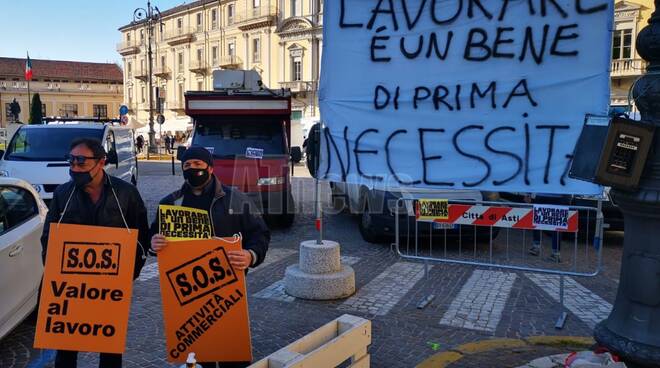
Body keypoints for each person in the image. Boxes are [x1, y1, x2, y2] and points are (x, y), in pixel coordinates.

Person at [150, 146, 270, 368]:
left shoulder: (236, 199)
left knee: (231, 352)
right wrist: (153, 242)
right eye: (187, 165)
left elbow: (260, 234)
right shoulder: (170, 203)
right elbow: (154, 233)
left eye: (198, 164)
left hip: (228, 289)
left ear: (210, 168)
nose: (192, 169)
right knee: (196, 354)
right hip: (188, 290)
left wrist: (251, 255)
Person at [40, 138, 149, 368]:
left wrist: (127, 276)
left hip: (110, 289)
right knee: (66, 351)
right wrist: (55, 277)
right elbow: (49, 237)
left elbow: (141, 238)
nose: (74, 168)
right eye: (71, 161)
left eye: (81, 161)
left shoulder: (127, 193)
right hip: (70, 290)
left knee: (109, 350)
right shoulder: (62, 194)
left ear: (101, 162)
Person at [526, 193, 572, 263]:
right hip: (550, 195)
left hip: (550, 195)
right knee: (543, 221)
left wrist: (528, 193)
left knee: (551, 223)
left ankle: (538, 247)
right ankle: (554, 253)